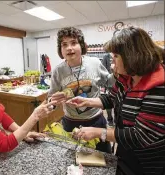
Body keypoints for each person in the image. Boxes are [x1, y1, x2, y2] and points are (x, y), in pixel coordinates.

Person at [67, 27, 165, 175]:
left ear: (133, 56)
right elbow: (112, 98)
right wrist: (87, 102)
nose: (112, 61)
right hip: (125, 151)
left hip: (147, 161)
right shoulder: (126, 77)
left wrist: (99, 132)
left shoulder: (158, 87)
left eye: (116, 56)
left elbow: (140, 136)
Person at [48, 27, 115, 153]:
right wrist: (52, 102)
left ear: (82, 46)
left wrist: (117, 71)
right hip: (70, 123)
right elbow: (51, 97)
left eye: (74, 43)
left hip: (96, 121)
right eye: (64, 45)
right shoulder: (58, 71)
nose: (69, 48)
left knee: (103, 157)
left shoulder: (94, 63)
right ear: (60, 50)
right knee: (72, 158)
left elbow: (109, 82)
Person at [101, 53, 114, 126]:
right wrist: (104, 86)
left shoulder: (121, 54)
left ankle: (117, 119)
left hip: (120, 82)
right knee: (109, 101)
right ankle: (110, 119)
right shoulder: (106, 56)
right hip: (110, 84)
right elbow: (104, 73)